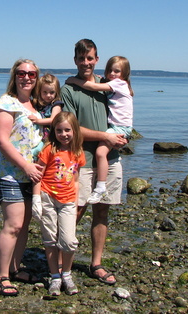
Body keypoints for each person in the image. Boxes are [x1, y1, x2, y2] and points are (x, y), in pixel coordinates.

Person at [60, 39, 128, 286]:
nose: (86, 62)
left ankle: (96, 263)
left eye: (90, 58)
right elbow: (70, 127)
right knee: (74, 212)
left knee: (102, 211)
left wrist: (122, 136)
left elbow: (123, 112)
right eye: (81, 58)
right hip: (82, 160)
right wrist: (105, 136)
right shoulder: (68, 90)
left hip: (110, 158)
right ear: (75, 60)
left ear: (97, 59)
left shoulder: (107, 85)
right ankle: (60, 263)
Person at [0, 59, 44, 296]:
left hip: (31, 178)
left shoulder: (36, 106)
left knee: (23, 227)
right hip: (10, 175)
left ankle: (15, 269)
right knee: (12, 225)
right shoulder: (7, 102)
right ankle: (2, 276)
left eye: (32, 74)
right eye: (22, 73)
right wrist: (26, 165)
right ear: (15, 76)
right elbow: (1, 140)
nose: (27, 77)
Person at [65, 56, 133, 204]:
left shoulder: (120, 84)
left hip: (118, 129)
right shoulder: (111, 84)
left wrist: (74, 81)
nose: (113, 74)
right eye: (110, 70)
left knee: (100, 153)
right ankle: (101, 187)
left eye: (117, 71)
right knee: (77, 209)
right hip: (88, 156)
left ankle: (100, 187)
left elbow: (93, 87)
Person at [32, 111, 85, 296]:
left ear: (75, 131)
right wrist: (36, 199)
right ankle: (55, 276)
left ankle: (67, 274)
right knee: (50, 239)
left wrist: (76, 202)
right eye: (59, 130)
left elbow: (76, 179)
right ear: (54, 131)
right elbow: (38, 175)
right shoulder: (49, 150)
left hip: (68, 201)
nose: (64, 134)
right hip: (47, 197)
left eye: (67, 130)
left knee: (69, 241)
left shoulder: (78, 152)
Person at [29, 73, 64, 157]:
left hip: (50, 136)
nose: (48, 95)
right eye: (45, 92)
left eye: (52, 92)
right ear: (39, 91)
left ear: (56, 92)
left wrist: (38, 121)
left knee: (45, 153)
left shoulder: (56, 104)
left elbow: (53, 120)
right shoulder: (37, 104)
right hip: (38, 136)